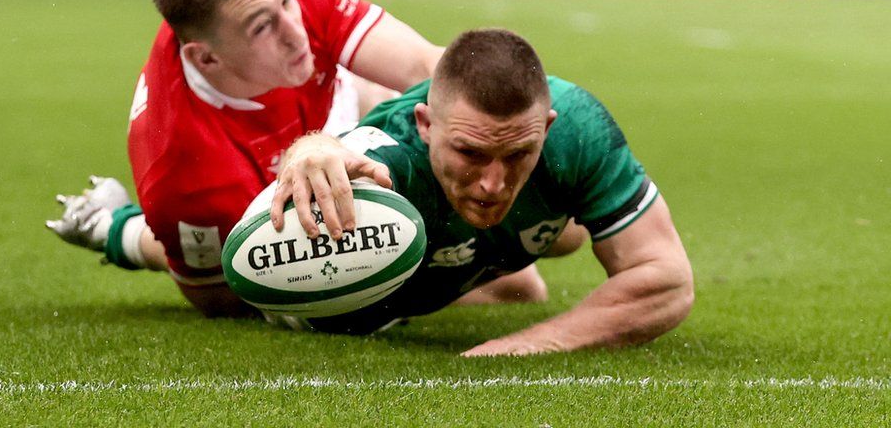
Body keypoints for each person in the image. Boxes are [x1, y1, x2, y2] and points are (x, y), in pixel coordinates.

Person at [46, 0, 450, 317]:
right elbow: (220, 297)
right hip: (239, 184)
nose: (297, 32)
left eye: (287, 1)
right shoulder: (183, 172)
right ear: (206, 59)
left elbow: (427, 67)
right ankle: (116, 229)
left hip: (337, 108)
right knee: (247, 253)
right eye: (262, 27)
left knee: (401, 105)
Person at [271, 28, 694, 355]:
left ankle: (494, 241)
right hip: (380, 266)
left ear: (545, 127)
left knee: (565, 242)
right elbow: (337, 155)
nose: (494, 182)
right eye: (470, 152)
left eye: (517, 154)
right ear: (426, 124)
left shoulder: (576, 130)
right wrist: (313, 146)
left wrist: (534, 342)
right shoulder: (390, 154)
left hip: (486, 231)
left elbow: (667, 281)